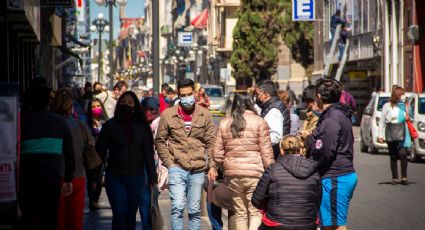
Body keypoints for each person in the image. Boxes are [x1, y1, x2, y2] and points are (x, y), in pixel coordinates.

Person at [155, 78, 217, 230]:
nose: (187, 98)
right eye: (184, 95)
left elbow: (211, 142)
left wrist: (213, 166)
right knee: (177, 207)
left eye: (190, 94)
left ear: (194, 93)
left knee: (194, 210)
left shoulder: (205, 114)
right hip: (176, 166)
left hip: (197, 168)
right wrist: (169, 163)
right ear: (178, 95)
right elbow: (160, 141)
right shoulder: (168, 115)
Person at [96, 91, 157, 230]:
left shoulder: (143, 127)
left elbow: (148, 153)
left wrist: (152, 177)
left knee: (130, 214)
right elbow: (100, 152)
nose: (126, 105)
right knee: (120, 212)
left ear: (135, 106)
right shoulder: (109, 126)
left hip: (137, 177)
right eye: (123, 102)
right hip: (115, 176)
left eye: (130, 103)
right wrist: (95, 177)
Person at [213, 93, 274, 230]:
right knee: (254, 212)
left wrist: (227, 164)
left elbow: (216, 154)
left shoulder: (225, 123)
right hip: (255, 173)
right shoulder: (259, 121)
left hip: (233, 175)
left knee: (240, 213)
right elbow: (266, 152)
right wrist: (271, 172)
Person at [19, 79, 75, 230]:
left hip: (27, 178)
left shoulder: (21, 122)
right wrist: (68, 179)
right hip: (52, 178)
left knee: (28, 218)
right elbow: (69, 153)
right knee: (49, 218)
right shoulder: (60, 122)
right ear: (49, 102)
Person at [305, 77, 357, 230]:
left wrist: (311, 164)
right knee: (330, 224)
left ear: (319, 96)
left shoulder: (332, 117)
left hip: (335, 176)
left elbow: (326, 150)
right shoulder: (338, 114)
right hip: (338, 176)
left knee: (335, 226)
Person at [252, 135, 321, 230]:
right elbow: (318, 200)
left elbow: (256, 200)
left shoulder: (273, 169)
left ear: (281, 150)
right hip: (308, 223)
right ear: (300, 149)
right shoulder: (313, 170)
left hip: (277, 223)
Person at [52, 88, 93, 230]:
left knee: (58, 219)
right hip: (77, 176)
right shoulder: (79, 125)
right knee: (75, 219)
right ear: (71, 106)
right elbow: (91, 144)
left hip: (55, 176)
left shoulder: (51, 124)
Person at [139, 96, 168, 229]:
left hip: (155, 169)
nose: (149, 113)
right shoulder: (143, 125)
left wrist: (161, 174)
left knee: (149, 203)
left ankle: (151, 226)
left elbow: (162, 153)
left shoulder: (160, 125)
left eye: (152, 109)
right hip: (145, 168)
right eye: (145, 110)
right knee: (147, 203)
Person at [378, 86, 412, 185]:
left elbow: (411, 117)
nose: (403, 96)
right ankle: (395, 178)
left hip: (403, 132)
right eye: (401, 94)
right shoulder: (387, 106)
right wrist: (380, 135)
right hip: (391, 132)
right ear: (396, 95)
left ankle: (404, 177)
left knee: (403, 154)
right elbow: (382, 121)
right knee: (393, 155)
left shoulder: (405, 106)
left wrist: (408, 115)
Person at [255, 80, 291, 159]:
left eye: (258, 94)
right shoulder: (271, 107)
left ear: (266, 94)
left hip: (275, 155)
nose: (257, 97)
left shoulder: (273, 110)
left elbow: (276, 136)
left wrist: (258, 142)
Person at [86, 98, 109, 211]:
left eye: (98, 106)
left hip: (102, 154)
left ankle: (95, 200)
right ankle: (92, 200)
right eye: (93, 107)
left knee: (99, 178)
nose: (96, 108)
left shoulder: (105, 121)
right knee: (92, 178)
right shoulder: (86, 122)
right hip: (90, 154)